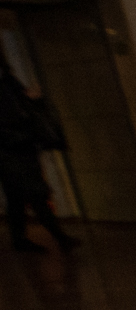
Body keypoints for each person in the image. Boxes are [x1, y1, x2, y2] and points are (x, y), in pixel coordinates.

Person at [1, 50, 79, 255]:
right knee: (34, 192)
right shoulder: (8, 81)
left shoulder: (8, 82)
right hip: (14, 149)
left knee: (17, 196)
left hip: (16, 148)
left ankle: (21, 239)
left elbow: (23, 109)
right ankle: (59, 237)